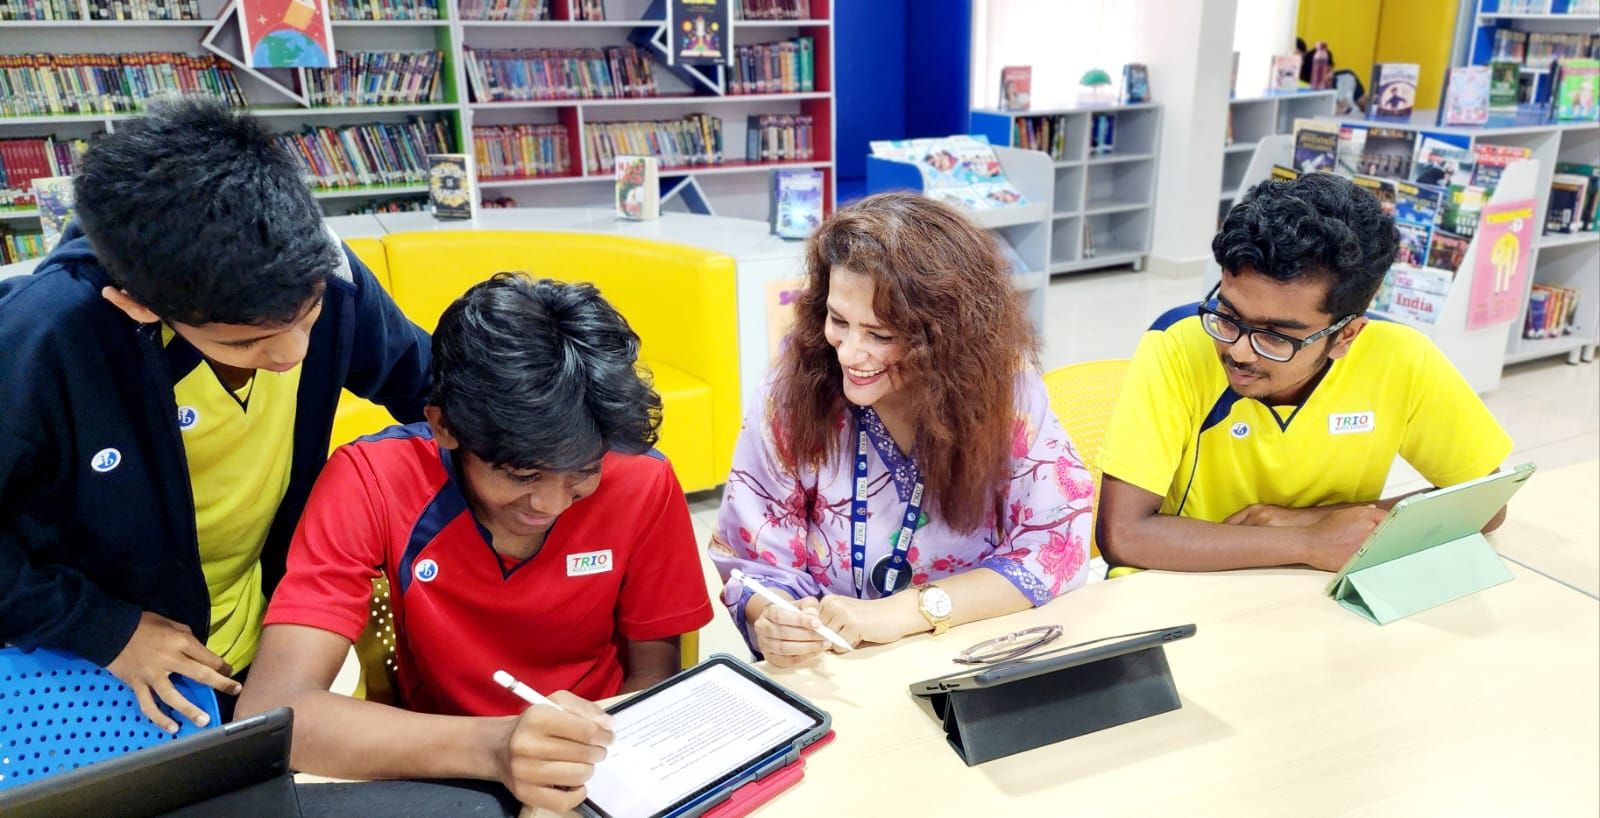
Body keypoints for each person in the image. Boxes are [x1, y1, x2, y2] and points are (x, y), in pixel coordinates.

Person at [0, 99, 431, 731]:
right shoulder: (40, 339)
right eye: (247, 343)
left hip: (254, 637)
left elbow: (430, 385)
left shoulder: (319, 270)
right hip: (99, 668)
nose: (293, 354)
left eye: (309, 317)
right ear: (138, 305)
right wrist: (102, 627)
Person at [237, 275, 713, 813]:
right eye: (522, 475)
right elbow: (277, 713)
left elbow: (655, 675)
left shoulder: (642, 480)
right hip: (439, 766)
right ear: (444, 427)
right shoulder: (372, 481)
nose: (552, 504)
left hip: (595, 767)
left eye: (583, 472)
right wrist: (497, 748)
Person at [708, 193, 1094, 667]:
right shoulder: (792, 394)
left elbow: (1056, 544)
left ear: (949, 337)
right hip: (838, 662)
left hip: (976, 647)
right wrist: (776, 619)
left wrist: (910, 611)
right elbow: (752, 561)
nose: (849, 353)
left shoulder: (1006, 395)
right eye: (838, 320)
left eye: (881, 335)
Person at [1096, 173, 1513, 573]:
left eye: (1276, 337)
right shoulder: (1178, 342)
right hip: (1183, 584)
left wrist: (1308, 522)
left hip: (1321, 589)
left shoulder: (1402, 357)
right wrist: (1308, 542)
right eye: (1228, 315)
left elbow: (1485, 503)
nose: (1238, 351)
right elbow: (1124, 536)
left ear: (1346, 335)